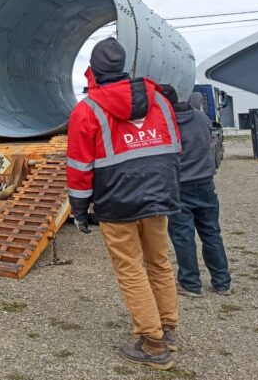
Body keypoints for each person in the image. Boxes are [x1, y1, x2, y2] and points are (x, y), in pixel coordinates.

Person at [67, 37, 182, 371]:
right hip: (159, 196)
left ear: (94, 71)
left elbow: (78, 167)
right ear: (123, 67)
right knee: (159, 263)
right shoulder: (159, 100)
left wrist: (79, 209)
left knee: (131, 268)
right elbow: (175, 147)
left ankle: (152, 343)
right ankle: (168, 328)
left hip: (116, 201)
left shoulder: (87, 110)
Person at [160, 84, 232, 297]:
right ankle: (222, 283)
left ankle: (190, 284)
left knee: (183, 236)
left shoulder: (166, 124)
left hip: (179, 187)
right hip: (206, 184)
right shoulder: (202, 119)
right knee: (211, 233)